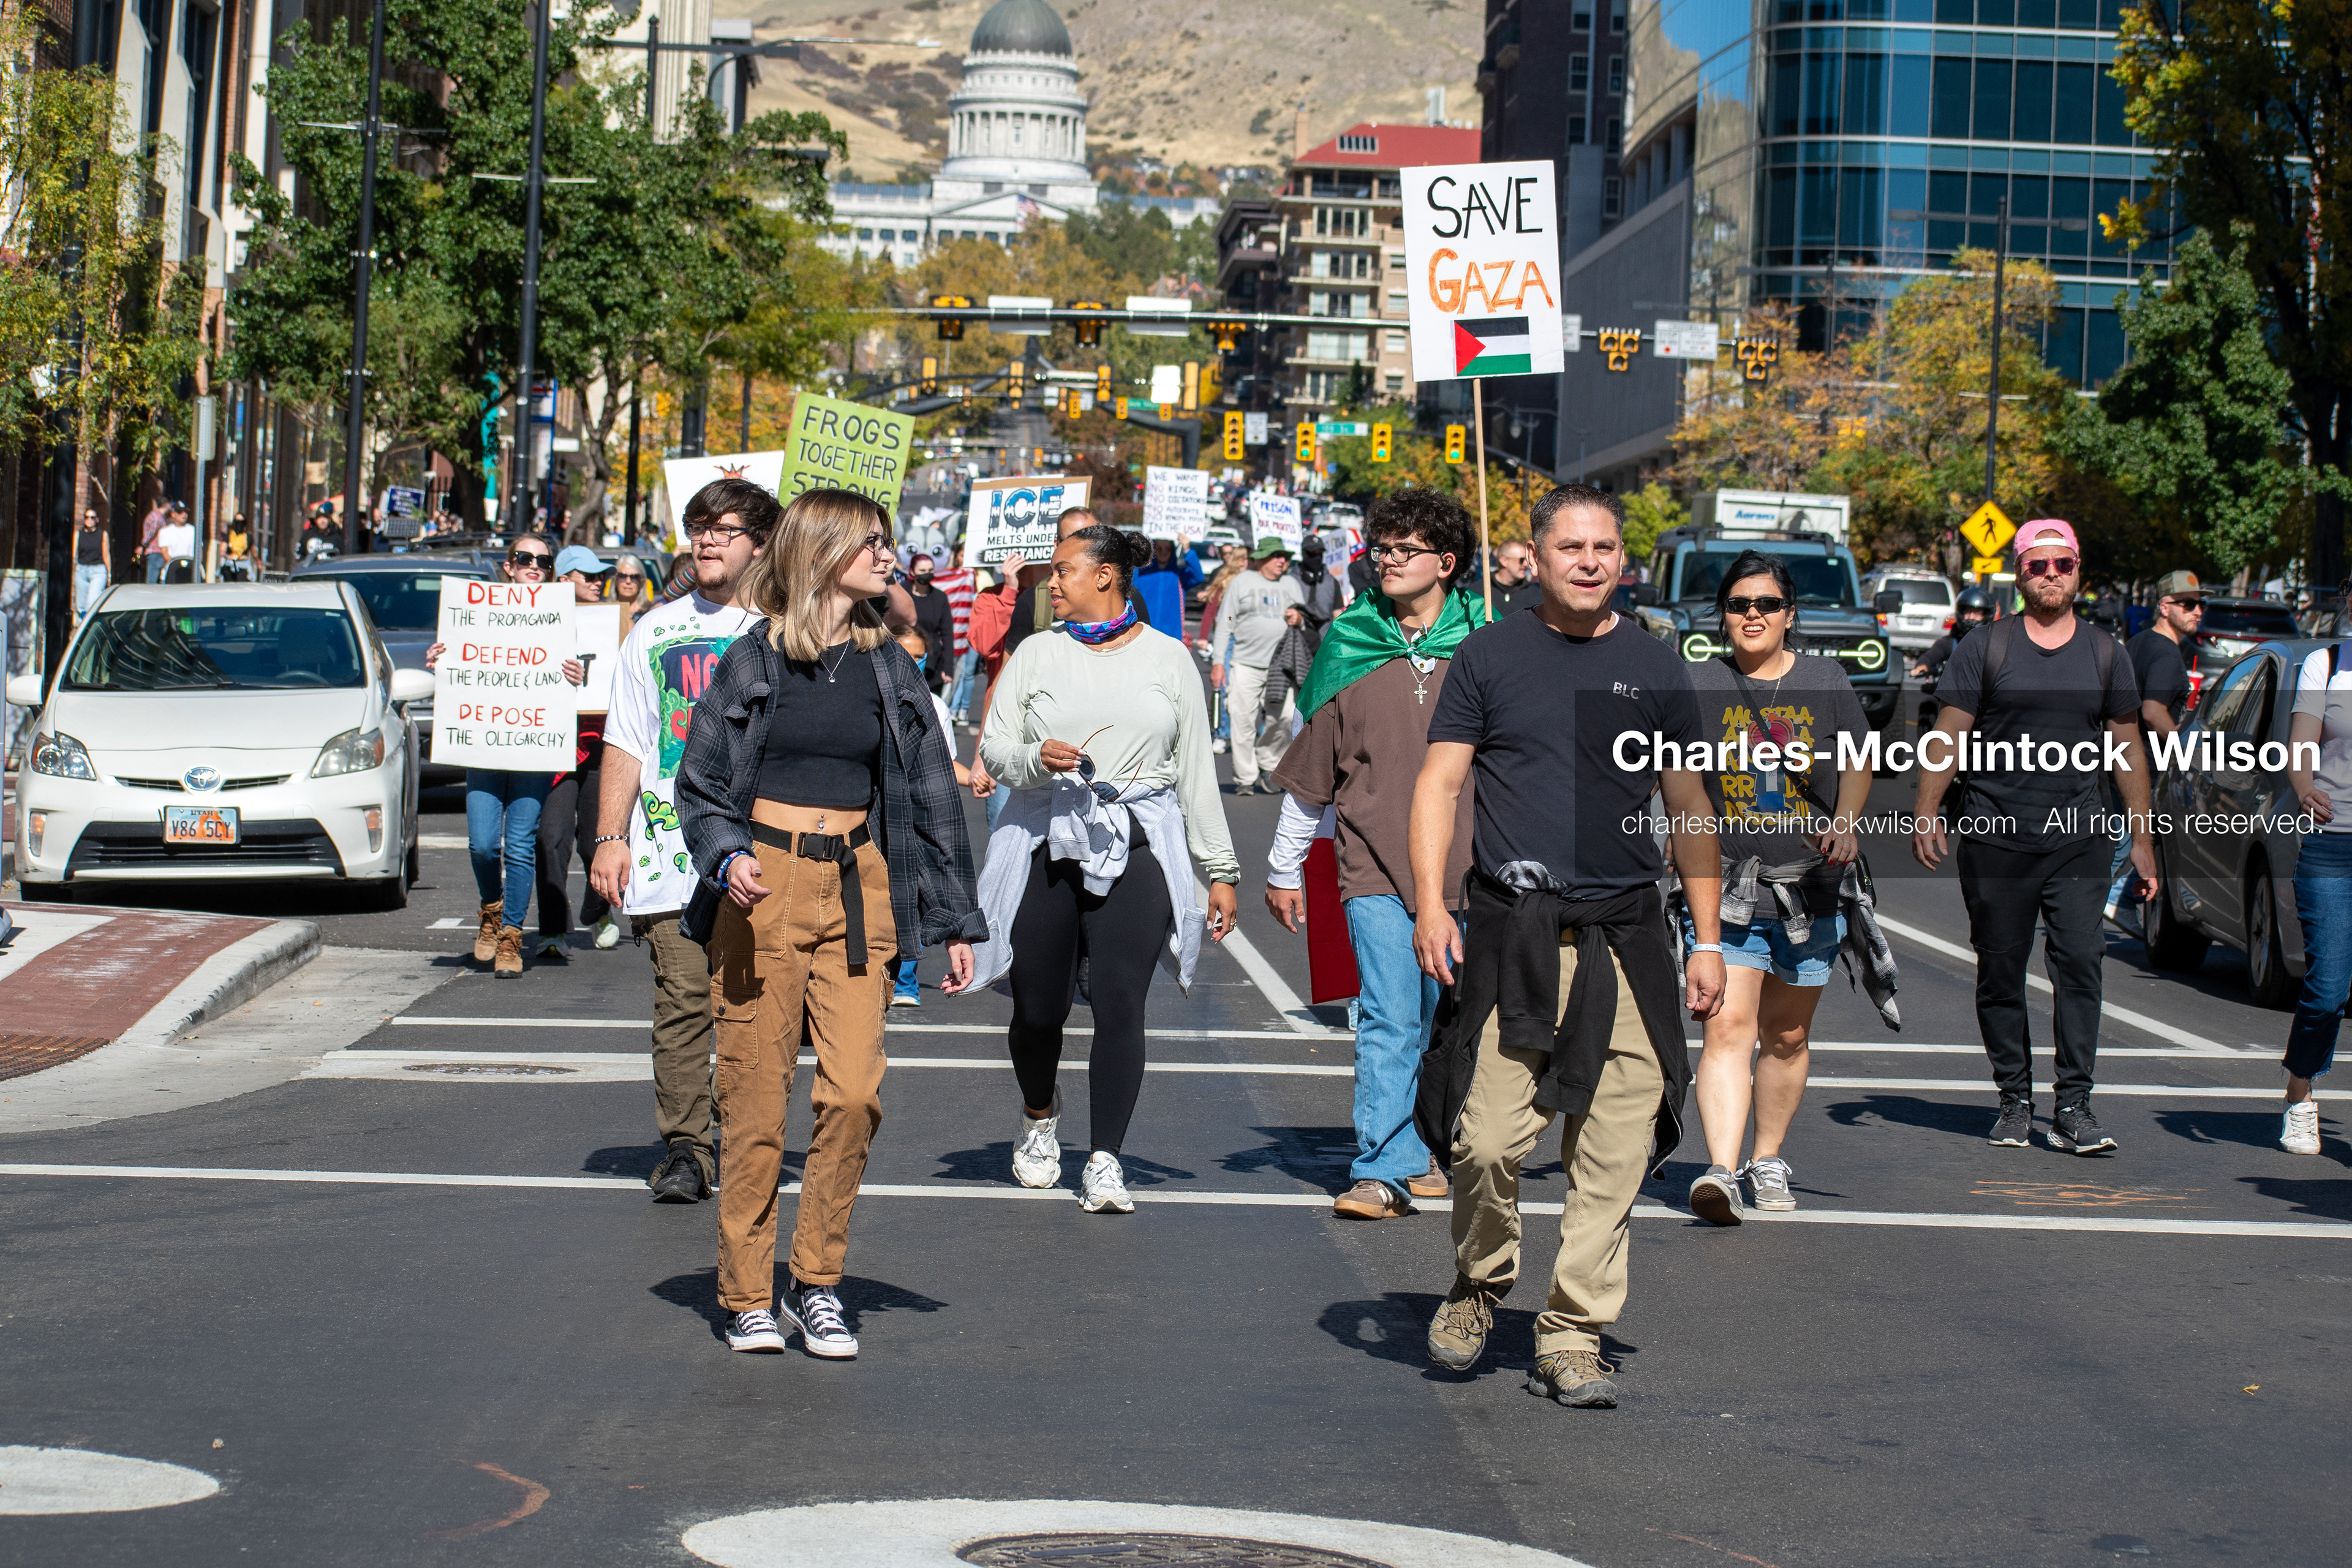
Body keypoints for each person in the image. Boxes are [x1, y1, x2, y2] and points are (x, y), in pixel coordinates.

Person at [1409, 482, 1724, 1412]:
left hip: (1627, 933)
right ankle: (1478, 1284)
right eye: (1571, 548)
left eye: (1606, 548)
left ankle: (1574, 1329)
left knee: (1616, 1147)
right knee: (1487, 1141)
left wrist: (1706, 937)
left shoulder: (1657, 665)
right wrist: (1433, 904)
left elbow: (1690, 803)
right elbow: (1438, 787)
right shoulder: (1488, 655)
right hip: (1518, 935)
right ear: (1536, 558)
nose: (1590, 562)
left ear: (1623, 561)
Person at [676, 487, 985, 1358]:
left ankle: (817, 1282)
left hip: (860, 886)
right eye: (874, 544)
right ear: (824, 552)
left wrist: (954, 921)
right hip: (761, 888)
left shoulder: (891, 666)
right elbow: (700, 782)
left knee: (853, 1094)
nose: (889, 557)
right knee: (755, 1101)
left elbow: (929, 794)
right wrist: (727, 853)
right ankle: (746, 1293)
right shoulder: (754, 659)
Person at [972, 524, 1241, 1215]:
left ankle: (1105, 1159)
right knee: (1040, 1009)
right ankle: (1039, 1115)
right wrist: (1037, 760)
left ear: (1107, 577)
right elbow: (995, 748)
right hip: (1046, 835)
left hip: (1140, 839)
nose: (1051, 583)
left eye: (1063, 571)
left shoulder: (1168, 658)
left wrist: (1220, 867)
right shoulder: (1036, 653)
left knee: (1123, 1002)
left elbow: (1194, 774)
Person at [1265, 489, 1485, 1219]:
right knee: (1390, 1015)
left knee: (1443, 1023)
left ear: (1446, 563)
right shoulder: (1350, 640)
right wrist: (1283, 867)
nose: (1384, 561)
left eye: (1402, 549)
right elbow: (1314, 773)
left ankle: (1427, 1144)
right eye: (1380, 549)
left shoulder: (1489, 646)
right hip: (1370, 866)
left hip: (1472, 872)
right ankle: (1380, 1169)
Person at [1913, 519, 2152, 1155]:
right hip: (1996, 836)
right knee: (2001, 970)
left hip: (2078, 837)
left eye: (2062, 565)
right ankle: (2014, 1099)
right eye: (2038, 565)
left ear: (2079, 571)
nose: (2051, 575)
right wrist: (1928, 809)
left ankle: (2074, 1106)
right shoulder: (1986, 647)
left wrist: (2144, 837)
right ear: (2020, 574)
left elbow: (2127, 746)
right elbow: (1949, 732)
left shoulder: (2106, 652)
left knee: (2080, 963)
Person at [1680, 550, 1876, 1225]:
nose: (1753, 615)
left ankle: (1767, 1157)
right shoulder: (1698, 684)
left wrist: (1846, 823)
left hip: (1810, 889)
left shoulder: (1825, 679)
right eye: (1739, 604)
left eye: (1766, 604)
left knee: (1787, 1034)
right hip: (1726, 890)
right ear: (1723, 617)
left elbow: (1858, 761)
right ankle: (1720, 1169)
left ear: (1790, 615)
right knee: (1728, 1027)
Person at [590, 481, 770, 1206]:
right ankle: (687, 1147)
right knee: (684, 1000)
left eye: (724, 529)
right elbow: (628, 741)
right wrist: (609, 836)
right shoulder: (654, 630)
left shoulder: (787, 627)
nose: (706, 540)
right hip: (672, 853)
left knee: (756, 1008)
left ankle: (744, 1133)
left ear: (760, 542)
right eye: (698, 527)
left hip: (768, 851)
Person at [424, 533, 588, 976]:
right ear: (508, 566)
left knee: (518, 845)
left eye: (543, 561)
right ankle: (490, 911)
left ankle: (511, 936)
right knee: (481, 844)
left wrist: (579, 673)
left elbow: (578, 674)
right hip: (485, 745)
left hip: (533, 749)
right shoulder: (475, 615)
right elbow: (461, 664)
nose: (534, 565)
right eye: (524, 558)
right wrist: (443, 659)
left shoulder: (559, 617)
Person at [2283, 594, 2352, 1157]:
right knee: (2328, 990)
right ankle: (2300, 1095)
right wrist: (2305, 789)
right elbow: (2300, 746)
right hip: (2332, 847)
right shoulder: (2326, 664)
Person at [886, 622, 976, 1007]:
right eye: (904, 651)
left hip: (913, 811)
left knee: (914, 891)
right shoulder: (872, 690)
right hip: (877, 814)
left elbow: (941, 767)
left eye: (919, 654)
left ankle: (905, 981)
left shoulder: (934, 706)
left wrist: (973, 777)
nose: (911, 660)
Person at [538, 545, 619, 956]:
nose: (596, 582)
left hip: (601, 746)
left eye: (599, 575)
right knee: (551, 838)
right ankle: (552, 930)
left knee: (595, 842)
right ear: (562, 580)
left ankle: (598, 911)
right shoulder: (534, 623)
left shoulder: (613, 622)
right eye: (585, 575)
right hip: (552, 747)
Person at [2108, 570, 2201, 928]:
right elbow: (2152, 711)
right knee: (2133, 838)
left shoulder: (2141, 642)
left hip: (2117, 755)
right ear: (2165, 607)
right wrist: (2183, 743)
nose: (2197, 612)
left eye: (2199, 604)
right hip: (2142, 762)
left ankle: (2115, 904)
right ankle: (2103, 904)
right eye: (2187, 604)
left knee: (2128, 833)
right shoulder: (2166, 655)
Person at [1212, 539, 1307, 795]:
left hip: (1282, 666)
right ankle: (1245, 777)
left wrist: (1298, 618)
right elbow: (1227, 620)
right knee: (1242, 718)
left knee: (1285, 716)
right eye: (1277, 556)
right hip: (1245, 663)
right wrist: (1219, 661)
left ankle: (1269, 762)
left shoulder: (1291, 585)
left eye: (1285, 558)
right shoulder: (1242, 582)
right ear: (1262, 558)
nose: (1282, 562)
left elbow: (1305, 618)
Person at [1909, 586, 1995, 680]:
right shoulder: (1951, 642)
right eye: (1968, 612)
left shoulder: (1995, 646)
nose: (1971, 617)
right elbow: (1932, 655)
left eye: (1977, 614)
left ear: (1987, 616)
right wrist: (1923, 665)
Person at [935, 543, 979, 721]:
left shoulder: (970, 576)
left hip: (962, 639)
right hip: (940, 640)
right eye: (962, 555)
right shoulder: (949, 575)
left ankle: (953, 712)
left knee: (958, 679)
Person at [905, 553, 955, 690]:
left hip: (932, 662)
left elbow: (947, 634)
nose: (927, 574)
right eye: (922, 571)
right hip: (905, 658)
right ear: (912, 572)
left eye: (930, 570)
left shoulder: (940, 598)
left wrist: (948, 667)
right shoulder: (903, 594)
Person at [1490, 540, 1543, 617]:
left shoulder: (1537, 594)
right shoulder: (1480, 592)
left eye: (1526, 560)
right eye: (1521, 560)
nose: (1526, 564)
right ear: (1504, 561)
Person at [74, 507, 109, 617]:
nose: (90, 520)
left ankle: (89, 627)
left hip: (98, 571)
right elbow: (74, 555)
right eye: (87, 517)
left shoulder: (102, 534)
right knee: (81, 605)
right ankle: (82, 628)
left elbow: (106, 555)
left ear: (97, 520)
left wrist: (109, 575)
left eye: (92, 518)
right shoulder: (78, 535)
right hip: (82, 570)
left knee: (91, 603)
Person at [611, 554, 654, 636]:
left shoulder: (650, 613)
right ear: (615, 580)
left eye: (635, 577)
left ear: (641, 582)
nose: (628, 581)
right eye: (622, 576)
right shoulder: (606, 612)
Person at [138, 498, 171, 582]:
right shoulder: (157, 518)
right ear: (166, 505)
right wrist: (143, 545)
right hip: (155, 551)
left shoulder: (161, 517)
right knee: (152, 581)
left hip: (158, 552)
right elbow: (150, 534)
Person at [157, 506, 195, 575]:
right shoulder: (165, 532)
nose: (184, 514)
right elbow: (165, 552)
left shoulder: (193, 530)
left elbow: (199, 551)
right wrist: (177, 566)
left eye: (186, 512)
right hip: (172, 572)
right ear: (173, 514)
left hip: (191, 570)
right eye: (180, 512)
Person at [223, 514, 252, 581]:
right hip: (230, 564)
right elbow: (223, 548)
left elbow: (253, 551)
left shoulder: (248, 537)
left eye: (241, 522)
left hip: (243, 565)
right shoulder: (229, 535)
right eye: (237, 521)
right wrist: (226, 555)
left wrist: (258, 563)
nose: (239, 524)